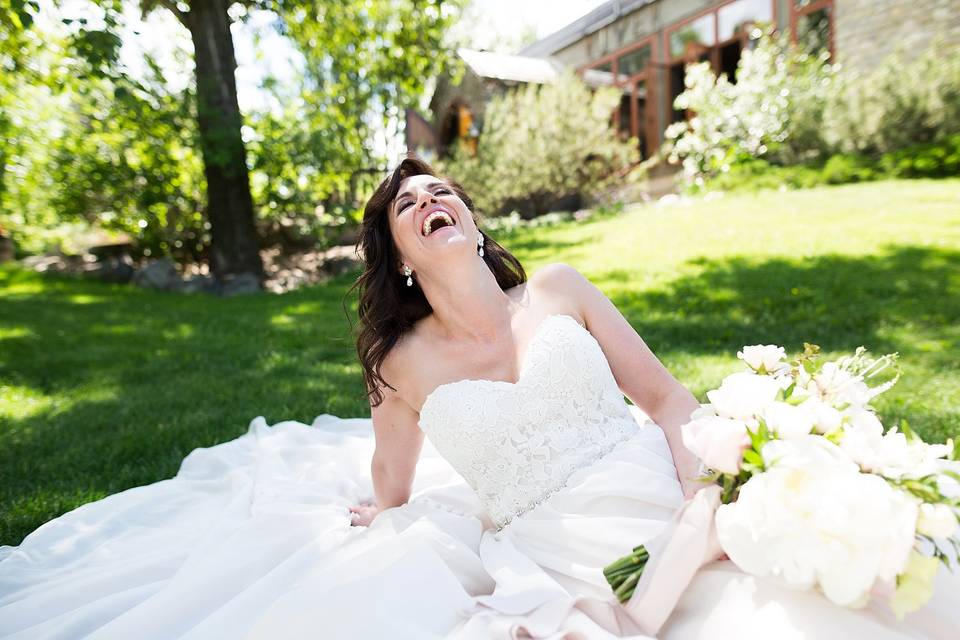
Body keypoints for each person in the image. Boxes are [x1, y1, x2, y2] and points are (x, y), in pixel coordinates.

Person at [0, 156, 955, 639]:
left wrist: (708, 476)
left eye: (442, 190)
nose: (429, 201)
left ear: (472, 219)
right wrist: (382, 509)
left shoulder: (563, 291)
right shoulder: (398, 361)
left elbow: (665, 397)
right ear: (402, 256)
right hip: (547, 534)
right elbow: (392, 470)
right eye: (408, 206)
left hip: (649, 480)